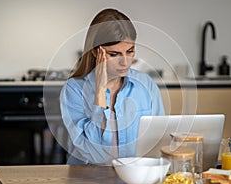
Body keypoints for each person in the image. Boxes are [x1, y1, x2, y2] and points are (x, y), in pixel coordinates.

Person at [60, 8, 165, 165]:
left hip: (135, 177)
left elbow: (159, 141)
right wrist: (100, 91)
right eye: (114, 54)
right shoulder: (74, 90)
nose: (125, 62)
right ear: (95, 52)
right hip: (87, 179)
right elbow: (93, 153)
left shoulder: (146, 85)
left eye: (130, 51)